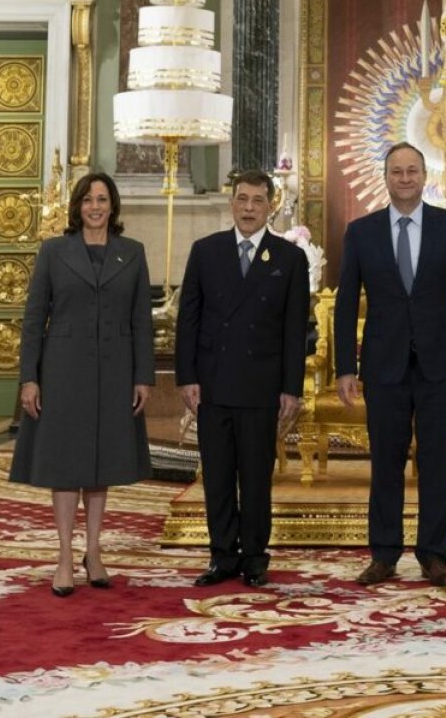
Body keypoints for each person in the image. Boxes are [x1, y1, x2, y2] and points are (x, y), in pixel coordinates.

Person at [334, 141, 446, 588]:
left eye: (412, 171)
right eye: (396, 171)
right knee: (385, 462)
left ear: (425, 176)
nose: (404, 178)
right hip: (383, 367)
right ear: (386, 178)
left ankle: (434, 556)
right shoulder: (361, 232)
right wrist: (345, 367)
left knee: (437, 463)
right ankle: (383, 555)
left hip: (442, 365)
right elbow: (346, 305)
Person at [10, 171, 155, 596]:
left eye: (103, 199)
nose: (95, 206)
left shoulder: (133, 252)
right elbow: (35, 319)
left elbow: (141, 321)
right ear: (78, 206)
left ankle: (94, 552)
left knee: (101, 463)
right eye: (88, 199)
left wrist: (143, 376)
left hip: (114, 373)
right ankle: (64, 557)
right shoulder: (54, 251)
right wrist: (29, 379)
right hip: (63, 372)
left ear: (113, 207)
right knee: (66, 463)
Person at [175, 170, 310, 587]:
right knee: (217, 475)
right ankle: (222, 556)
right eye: (242, 199)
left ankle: (254, 556)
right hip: (213, 384)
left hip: (262, 386)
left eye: (257, 200)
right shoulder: (205, 251)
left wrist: (292, 387)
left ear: (270, 206)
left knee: (255, 478)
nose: (249, 207)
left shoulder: (289, 259)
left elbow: (295, 330)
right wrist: (186, 377)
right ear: (231, 203)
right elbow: (189, 321)